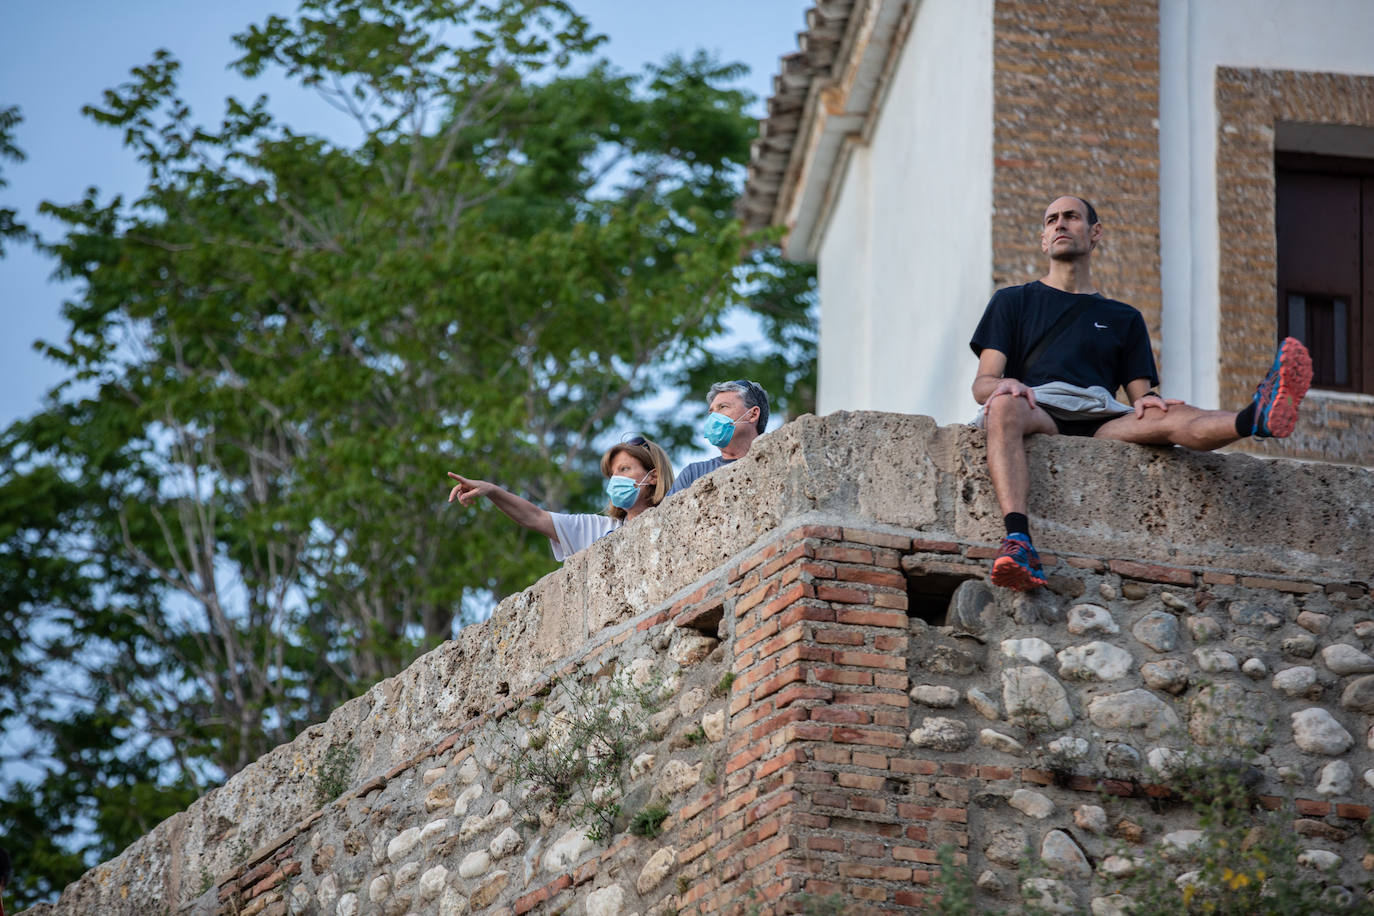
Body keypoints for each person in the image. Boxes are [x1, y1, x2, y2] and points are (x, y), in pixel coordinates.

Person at [970, 195, 1312, 591]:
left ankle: (1256, 416)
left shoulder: (1124, 317)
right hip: (1039, 407)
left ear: (1094, 233)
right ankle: (1018, 541)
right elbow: (983, 384)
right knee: (1003, 407)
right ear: (1044, 240)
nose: (1060, 224)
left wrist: (1148, 405)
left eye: (1071, 217)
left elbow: (1141, 397)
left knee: (1172, 414)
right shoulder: (1013, 301)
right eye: (1051, 220)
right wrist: (1003, 384)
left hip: (1101, 416)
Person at [447, 437, 674, 562]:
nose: (616, 480)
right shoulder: (598, 529)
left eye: (624, 469)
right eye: (612, 474)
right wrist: (492, 491)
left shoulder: (674, 518)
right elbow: (535, 517)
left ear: (653, 476)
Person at [666, 379, 771, 497]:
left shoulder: (773, 464)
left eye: (723, 407)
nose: (714, 417)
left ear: (753, 414)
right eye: (711, 412)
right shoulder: (693, 474)